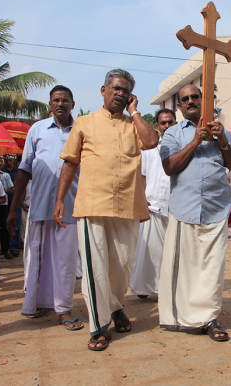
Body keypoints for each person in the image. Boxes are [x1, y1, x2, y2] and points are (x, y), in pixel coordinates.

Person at [54, 70, 158, 351]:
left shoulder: (133, 124)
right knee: (95, 267)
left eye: (126, 91)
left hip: (128, 205)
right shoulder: (84, 123)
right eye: (116, 89)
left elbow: (151, 142)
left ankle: (115, 306)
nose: (120, 94)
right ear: (103, 90)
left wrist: (135, 112)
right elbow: (69, 163)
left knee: (122, 265)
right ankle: (99, 326)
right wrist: (60, 199)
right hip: (93, 205)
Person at [158, 84, 231, 342]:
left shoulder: (222, 130)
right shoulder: (172, 134)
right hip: (186, 208)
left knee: (213, 269)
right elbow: (170, 166)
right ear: (179, 107)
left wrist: (223, 139)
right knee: (187, 268)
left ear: (203, 100)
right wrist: (196, 141)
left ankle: (209, 318)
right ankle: (184, 315)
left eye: (195, 97)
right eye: (185, 99)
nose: (191, 101)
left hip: (216, 208)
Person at [7, 85, 83, 329]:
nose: (60, 104)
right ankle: (37, 303)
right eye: (55, 100)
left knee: (65, 261)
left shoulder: (81, 129)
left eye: (65, 100)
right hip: (39, 206)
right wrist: (12, 207)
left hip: (71, 207)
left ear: (72, 103)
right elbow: (24, 168)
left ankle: (64, 309)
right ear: (50, 104)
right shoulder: (37, 129)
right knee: (37, 259)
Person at [129, 108, 176, 298]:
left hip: (174, 207)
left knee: (171, 252)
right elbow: (142, 176)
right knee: (150, 252)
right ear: (157, 126)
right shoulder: (148, 149)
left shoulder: (182, 146)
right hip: (153, 205)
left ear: (175, 124)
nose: (166, 126)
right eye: (163, 123)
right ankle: (145, 287)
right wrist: (143, 199)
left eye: (170, 122)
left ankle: (169, 287)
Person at [0, 156, 14, 260]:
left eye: (1, 161)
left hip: (3, 204)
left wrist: (3, 190)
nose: (0, 163)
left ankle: (6, 248)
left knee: (4, 227)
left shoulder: (5, 175)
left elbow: (11, 190)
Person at [2, 154, 21, 256]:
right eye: (7, 159)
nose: (9, 161)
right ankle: (6, 247)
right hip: (5, 202)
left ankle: (14, 247)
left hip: (16, 200)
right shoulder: (2, 172)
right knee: (5, 223)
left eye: (11, 159)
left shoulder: (19, 171)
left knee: (16, 224)